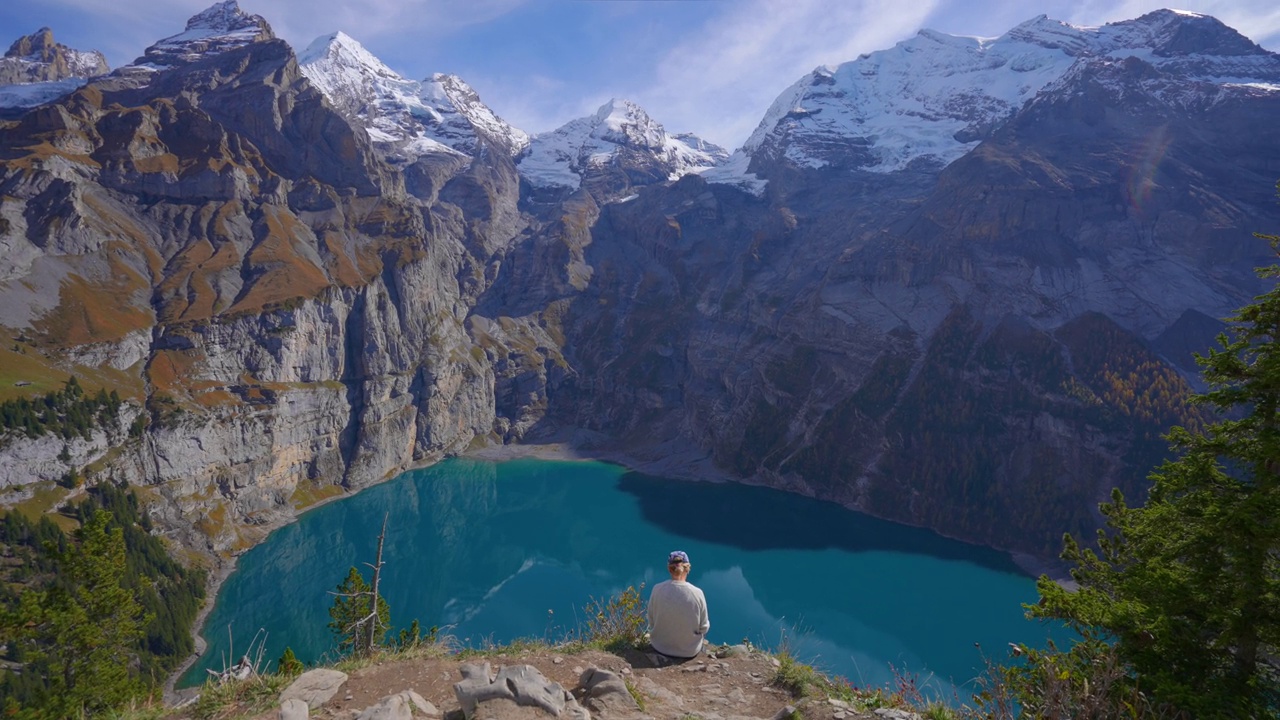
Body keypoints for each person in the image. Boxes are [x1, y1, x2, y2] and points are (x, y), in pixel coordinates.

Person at [647, 550, 710, 659]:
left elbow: (651, 620)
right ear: (688, 568)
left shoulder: (657, 589)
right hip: (689, 651)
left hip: (659, 646)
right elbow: (704, 627)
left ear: (669, 569)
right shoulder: (697, 593)